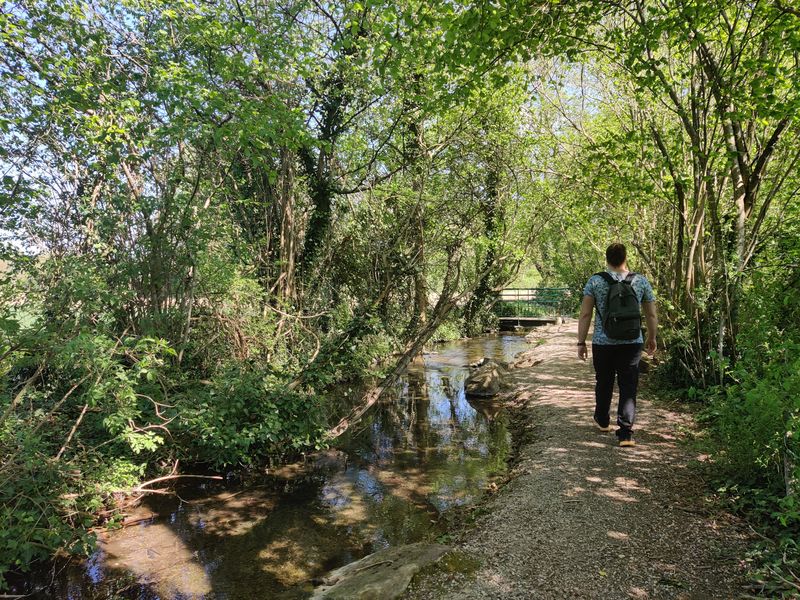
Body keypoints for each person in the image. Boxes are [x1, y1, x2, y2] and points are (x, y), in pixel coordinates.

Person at [576, 243, 658, 447]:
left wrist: (581, 342)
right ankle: (625, 434)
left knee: (604, 381)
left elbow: (586, 314)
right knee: (628, 386)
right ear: (625, 258)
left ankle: (603, 420)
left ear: (607, 259)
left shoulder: (595, 281)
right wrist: (652, 337)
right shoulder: (640, 281)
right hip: (632, 342)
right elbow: (651, 314)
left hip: (603, 343)